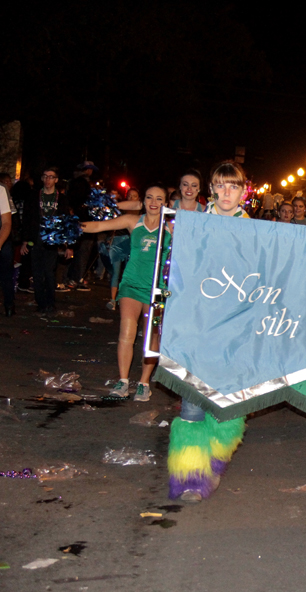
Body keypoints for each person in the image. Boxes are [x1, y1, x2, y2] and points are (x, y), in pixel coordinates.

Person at [167, 161, 251, 503]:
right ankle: (190, 475)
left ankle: (214, 464)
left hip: (235, 327)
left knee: (227, 402)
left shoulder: (258, 230)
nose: (227, 192)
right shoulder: (193, 223)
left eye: (234, 187)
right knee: (191, 402)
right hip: (195, 324)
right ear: (212, 189)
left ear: (243, 191)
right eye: (221, 185)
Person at [81, 184, 171, 402]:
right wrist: (72, 226)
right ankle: (122, 381)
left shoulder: (172, 227)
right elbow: (98, 226)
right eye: (149, 197)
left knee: (152, 338)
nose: (153, 202)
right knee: (127, 334)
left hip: (158, 290)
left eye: (159, 199)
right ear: (143, 201)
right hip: (130, 284)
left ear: (166, 203)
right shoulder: (134, 221)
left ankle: (144, 383)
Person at [20, 167, 71, 314]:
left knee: (49, 271)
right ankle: (40, 303)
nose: (47, 180)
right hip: (36, 238)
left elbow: (66, 220)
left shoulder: (61, 199)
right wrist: (25, 240)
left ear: (56, 180)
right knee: (36, 272)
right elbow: (27, 219)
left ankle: (50, 302)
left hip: (52, 238)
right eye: (45, 176)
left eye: (51, 177)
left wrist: (68, 244)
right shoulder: (34, 196)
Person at [66, 161, 99, 291]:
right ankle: (78, 278)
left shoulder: (73, 182)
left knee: (74, 249)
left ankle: (71, 277)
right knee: (83, 251)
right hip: (84, 221)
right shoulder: (84, 184)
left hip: (75, 219)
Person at [0, 173, 14, 316]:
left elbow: (6, 223)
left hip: (2, 239)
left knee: (5, 274)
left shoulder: (1, 190)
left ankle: (9, 305)